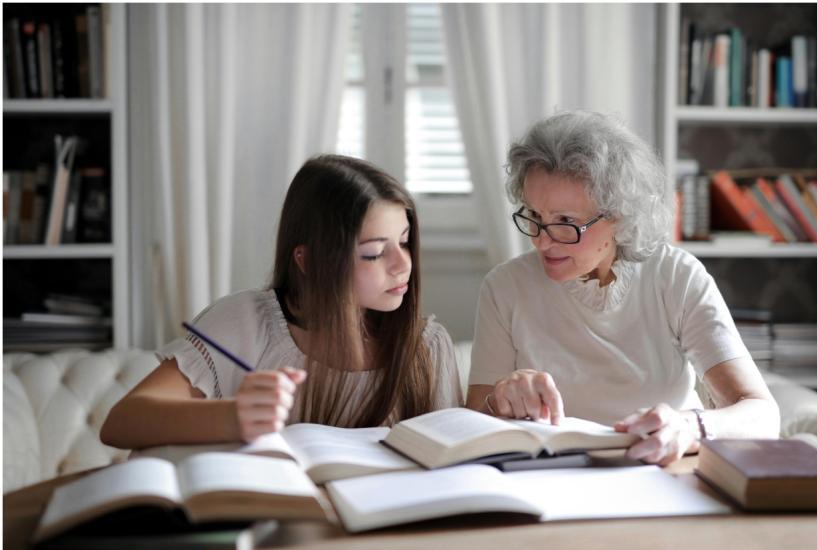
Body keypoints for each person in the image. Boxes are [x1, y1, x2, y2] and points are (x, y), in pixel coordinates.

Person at [466, 111, 779, 465]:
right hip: (552, 478)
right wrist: (500, 401)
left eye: (566, 222)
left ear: (619, 216)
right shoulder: (505, 287)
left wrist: (690, 427)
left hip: (666, 472)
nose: (542, 241)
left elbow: (762, 414)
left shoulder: (675, 277)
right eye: (535, 217)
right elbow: (471, 423)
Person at [101, 154, 462, 448]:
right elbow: (122, 422)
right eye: (373, 253)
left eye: (403, 241)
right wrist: (232, 416)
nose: (403, 265)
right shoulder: (245, 323)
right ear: (308, 261)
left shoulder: (427, 347)